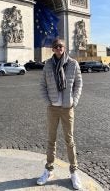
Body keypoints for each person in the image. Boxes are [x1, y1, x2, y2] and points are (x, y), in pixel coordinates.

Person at [37, 38, 83, 190]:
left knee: (69, 140)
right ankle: (49, 170)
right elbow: (42, 85)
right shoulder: (47, 65)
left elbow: (78, 83)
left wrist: (74, 101)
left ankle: (74, 172)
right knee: (51, 140)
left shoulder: (73, 64)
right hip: (53, 108)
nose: (58, 49)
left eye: (61, 46)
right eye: (56, 46)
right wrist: (47, 102)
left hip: (67, 108)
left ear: (64, 48)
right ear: (52, 49)